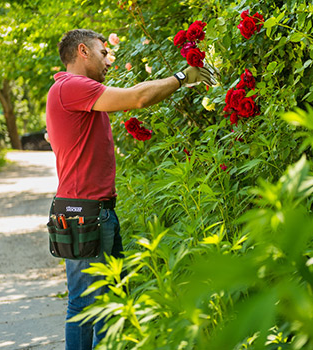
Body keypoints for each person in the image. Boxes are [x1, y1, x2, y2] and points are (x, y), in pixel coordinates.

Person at [46, 28, 217, 350]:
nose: (109, 59)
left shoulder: (70, 92)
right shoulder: (72, 86)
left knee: (110, 304)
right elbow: (137, 97)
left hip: (94, 211)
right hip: (85, 213)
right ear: (83, 51)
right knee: (85, 306)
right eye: (103, 52)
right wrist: (184, 76)